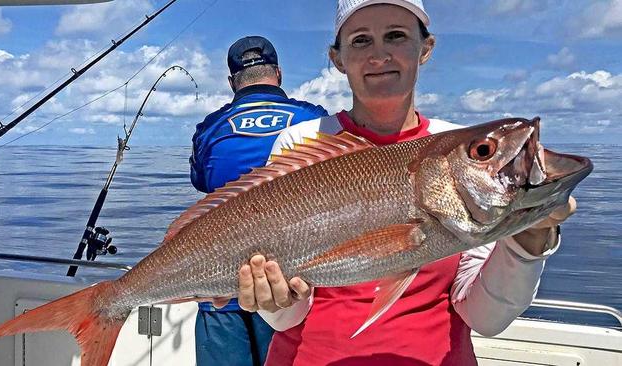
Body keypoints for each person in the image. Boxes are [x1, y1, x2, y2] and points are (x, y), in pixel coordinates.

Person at [225, 1, 578, 365]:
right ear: (338, 58)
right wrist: (274, 299)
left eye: (396, 36)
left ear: (425, 48)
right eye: (361, 40)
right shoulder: (301, 143)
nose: (379, 55)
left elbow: (487, 319)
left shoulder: (455, 148)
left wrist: (528, 240)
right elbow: (286, 318)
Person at [189, 35, 328, 366]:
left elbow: (202, 183)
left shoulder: (210, 129)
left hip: (220, 289)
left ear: (231, 82)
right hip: (290, 287)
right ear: (278, 73)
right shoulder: (315, 120)